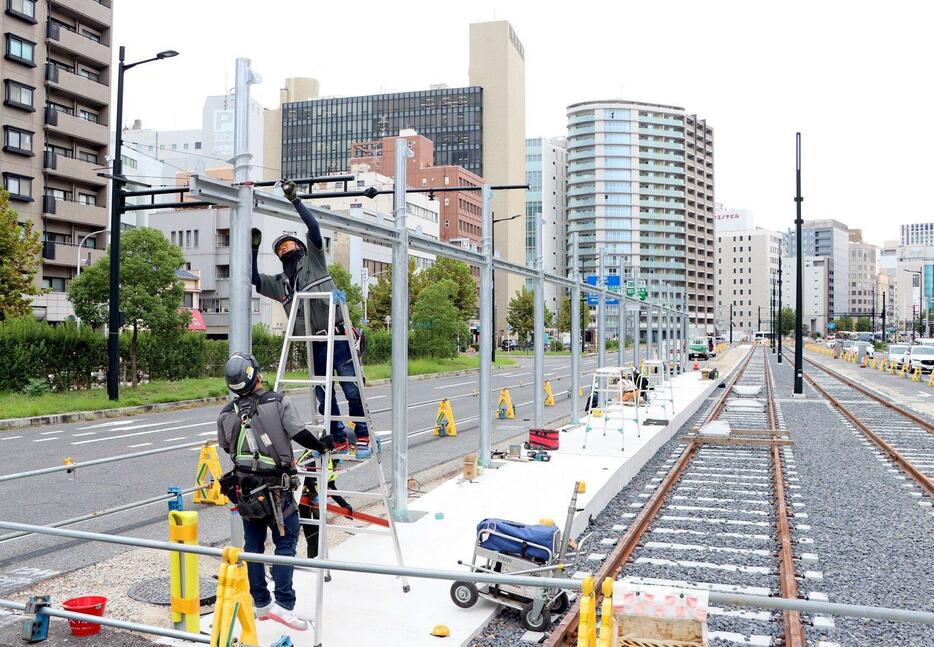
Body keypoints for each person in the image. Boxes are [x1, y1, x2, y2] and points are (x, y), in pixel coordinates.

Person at [251, 179, 371, 458]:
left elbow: (314, 229)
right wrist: (253, 249)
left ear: (301, 248)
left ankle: (363, 435)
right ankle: (339, 437)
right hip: (313, 343)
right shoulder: (281, 283)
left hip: (338, 335)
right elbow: (255, 281)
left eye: (289, 245)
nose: (285, 250)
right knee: (323, 395)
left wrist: (295, 201)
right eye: (280, 250)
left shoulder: (314, 261)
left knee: (351, 387)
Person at [216, 352, 335, 631]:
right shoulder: (277, 402)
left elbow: (226, 447)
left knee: (253, 545)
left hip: (245, 489)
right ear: (255, 376)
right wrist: (322, 445)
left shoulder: (225, 414)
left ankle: (261, 603)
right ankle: (284, 604)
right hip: (276, 490)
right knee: (285, 541)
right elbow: (299, 434)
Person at [296, 450, 353, 559]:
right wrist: (313, 492)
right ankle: (283, 560)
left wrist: (344, 505)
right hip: (301, 497)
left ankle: (314, 561)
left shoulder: (331, 461)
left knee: (316, 533)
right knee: (298, 530)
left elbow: (330, 486)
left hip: (313, 499)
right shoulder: (320, 457)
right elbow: (304, 472)